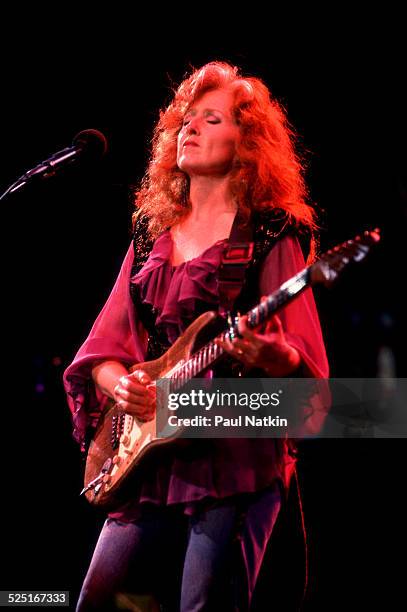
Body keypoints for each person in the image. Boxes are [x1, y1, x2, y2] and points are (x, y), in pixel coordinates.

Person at [64, 61, 329, 611]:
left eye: (212, 119)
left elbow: (307, 372)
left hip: (233, 450)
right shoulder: (151, 236)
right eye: (187, 119)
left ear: (248, 142)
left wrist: (265, 353)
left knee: (202, 604)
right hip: (152, 454)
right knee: (96, 601)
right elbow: (103, 352)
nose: (191, 128)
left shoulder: (273, 233)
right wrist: (124, 387)